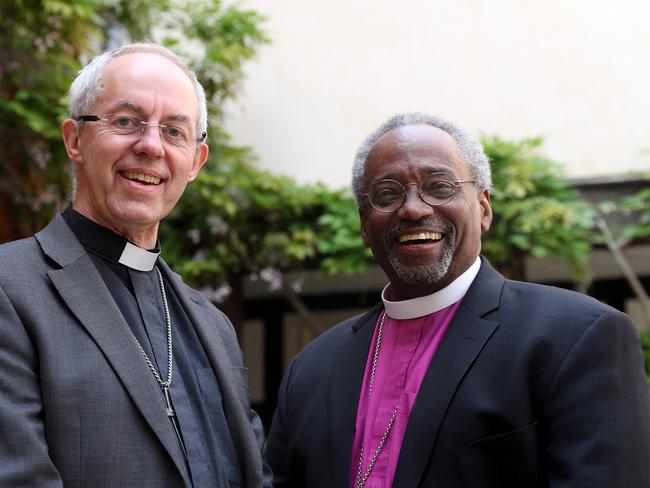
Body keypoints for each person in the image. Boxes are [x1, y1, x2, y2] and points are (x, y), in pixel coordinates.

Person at [264, 112, 650, 487]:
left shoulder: (575, 337)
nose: (413, 208)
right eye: (387, 194)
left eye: (439, 186)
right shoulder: (312, 369)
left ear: (483, 208)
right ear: (365, 225)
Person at [0, 43, 270, 487]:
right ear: (75, 140)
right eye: (126, 122)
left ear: (195, 163)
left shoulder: (213, 325)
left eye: (174, 131)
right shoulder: (11, 289)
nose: (150, 146)